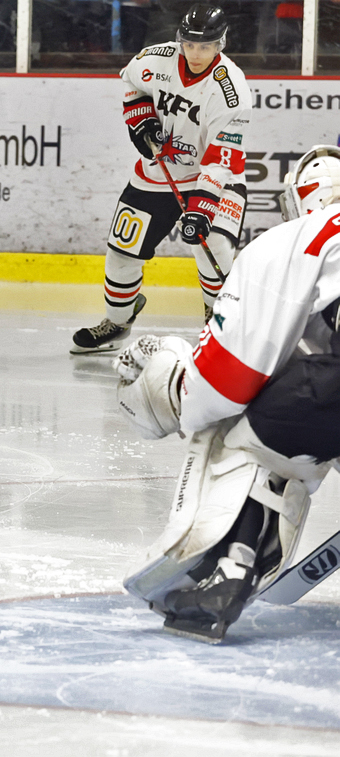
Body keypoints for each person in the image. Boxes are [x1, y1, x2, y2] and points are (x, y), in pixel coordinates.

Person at [115, 144, 340, 641]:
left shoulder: (298, 239)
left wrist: (171, 386)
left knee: (251, 430)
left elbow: (228, 380)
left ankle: (227, 578)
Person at [70, 5, 250, 354]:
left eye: (205, 47)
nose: (195, 54)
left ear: (221, 44)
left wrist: (201, 208)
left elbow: (220, 160)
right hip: (155, 176)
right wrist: (141, 119)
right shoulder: (156, 59)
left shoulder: (232, 92)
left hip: (214, 179)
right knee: (122, 252)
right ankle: (117, 321)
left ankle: (218, 328)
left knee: (214, 248)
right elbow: (131, 83)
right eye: (190, 44)